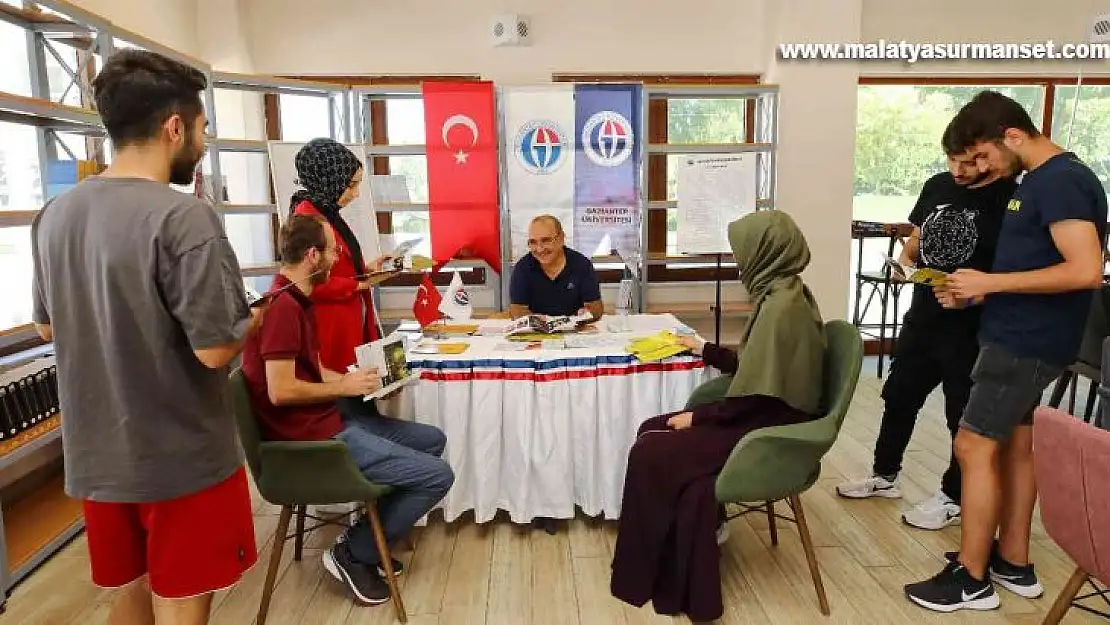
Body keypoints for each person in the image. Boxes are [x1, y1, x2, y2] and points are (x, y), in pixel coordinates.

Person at [30, 49, 262, 624]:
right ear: (174, 126)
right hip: (179, 457)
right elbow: (214, 349)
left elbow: (47, 326)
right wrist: (253, 316)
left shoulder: (54, 215)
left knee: (128, 593)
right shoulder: (185, 218)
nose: (204, 143)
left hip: (96, 454)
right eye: (203, 128)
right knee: (183, 599)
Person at [905, 91, 1107, 613]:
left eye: (985, 157)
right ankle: (1012, 562)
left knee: (973, 447)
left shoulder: (1062, 180)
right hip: (1017, 333)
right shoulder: (1038, 181)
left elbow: (1085, 269)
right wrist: (976, 289)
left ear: (1012, 137)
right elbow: (1034, 265)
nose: (979, 169)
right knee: (1017, 446)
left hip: (1025, 342)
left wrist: (992, 284)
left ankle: (970, 579)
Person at [610, 210, 826, 622]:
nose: (740, 262)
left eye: (743, 253)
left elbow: (761, 395)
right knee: (652, 430)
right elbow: (757, 368)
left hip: (770, 428)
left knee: (652, 451)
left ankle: (648, 571)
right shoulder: (784, 291)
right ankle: (673, 560)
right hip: (763, 413)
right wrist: (704, 349)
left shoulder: (781, 308)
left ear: (766, 252)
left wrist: (702, 418)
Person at [240, 213, 455, 606]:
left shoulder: (298, 298)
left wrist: (361, 380)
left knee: (431, 439)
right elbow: (280, 390)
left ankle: (368, 538)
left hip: (328, 420)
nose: (339, 256)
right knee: (438, 476)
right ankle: (353, 552)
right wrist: (343, 386)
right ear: (311, 255)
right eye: (333, 251)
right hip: (312, 442)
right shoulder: (283, 308)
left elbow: (313, 367)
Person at [837, 124, 1017, 531]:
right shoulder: (937, 186)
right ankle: (885, 475)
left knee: (961, 413)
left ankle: (954, 496)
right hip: (922, 317)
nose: (958, 170)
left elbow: (1011, 267)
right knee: (899, 396)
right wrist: (905, 265)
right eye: (951, 161)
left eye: (968, 163)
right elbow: (915, 240)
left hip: (970, 326)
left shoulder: (1007, 196)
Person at [290, 138, 393, 374]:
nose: (356, 194)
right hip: (330, 328)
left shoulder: (327, 211)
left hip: (348, 321)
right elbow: (306, 282)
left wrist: (367, 270)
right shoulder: (308, 219)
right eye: (351, 185)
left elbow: (337, 267)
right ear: (330, 179)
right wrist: (358, 285)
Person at [508, 215, 603, 319]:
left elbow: (596, 308)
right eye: (533, 242)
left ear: (561, 238)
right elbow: (517, 309)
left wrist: (587, 313)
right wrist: (536, 321)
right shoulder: (522, 268)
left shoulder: (582, 265)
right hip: (537, 331)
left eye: (546, 240)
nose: (539, 249)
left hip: (575, 329)